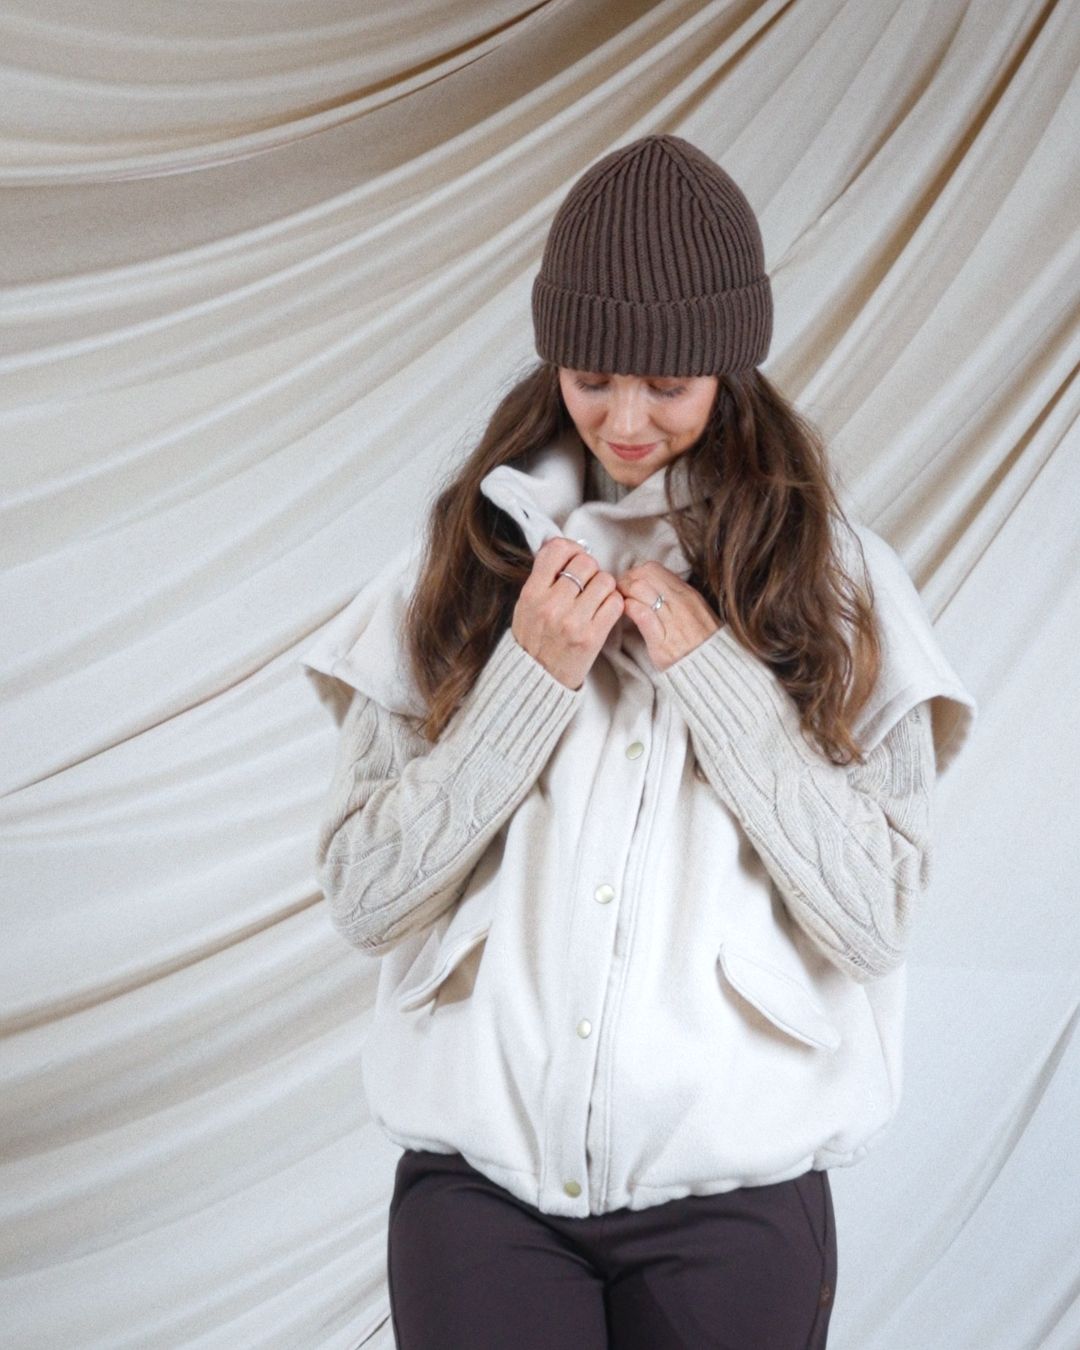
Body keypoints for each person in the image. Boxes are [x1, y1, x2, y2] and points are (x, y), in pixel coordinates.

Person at [300, 134, 977, 1349]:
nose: (625, 419)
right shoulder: (455, 564)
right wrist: (527, 682)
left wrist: (715, 676)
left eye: (667, 384)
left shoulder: (839, 585)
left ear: (730, 365)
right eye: (593, 376)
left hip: (738, 1203)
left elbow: (875, 917)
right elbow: (363, 896)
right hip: (479, 1200)